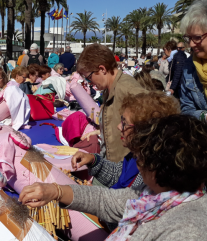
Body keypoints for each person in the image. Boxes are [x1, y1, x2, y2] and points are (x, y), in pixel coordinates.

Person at [20, 114, 207, 240]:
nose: (138, 162)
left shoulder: (187, 230)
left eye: (141, 156)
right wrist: (55, 191)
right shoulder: (157, 195)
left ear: (159, 167)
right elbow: (106, 200)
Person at [74, 91, 180, 189]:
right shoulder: (137, 156)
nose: (119, 127)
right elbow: (119, 175)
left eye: (124, 122)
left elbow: (125, 202)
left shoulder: (152, 176)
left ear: (143, 130)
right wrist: (93, 160)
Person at [77, 43, 146, 162]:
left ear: (102, 69)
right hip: (114, 164)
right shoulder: (110, 88)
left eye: (88, 77)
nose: (89, 82)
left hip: (123, 167)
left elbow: (154, 117)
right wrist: (100, 131)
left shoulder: (126, 88)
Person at [180, 0, 207, 121]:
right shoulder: (189, 67)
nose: (191, 44)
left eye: (197, 37)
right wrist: (204, 116)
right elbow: (187, 109)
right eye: (188, 38)